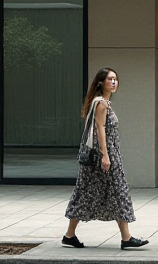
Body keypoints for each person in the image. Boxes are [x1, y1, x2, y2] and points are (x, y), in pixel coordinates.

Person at [61, 67, 149, 250]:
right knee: (117, 191)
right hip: (105, 157)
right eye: (110, 79)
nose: (114, 82)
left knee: (86, 192)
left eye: (116, 79)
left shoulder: (102, 102)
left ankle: (69, 235)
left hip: (104, 156)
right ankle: (126, 238)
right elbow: (100, 129)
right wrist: (105, 156)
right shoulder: (101, 103)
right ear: (101, 82)